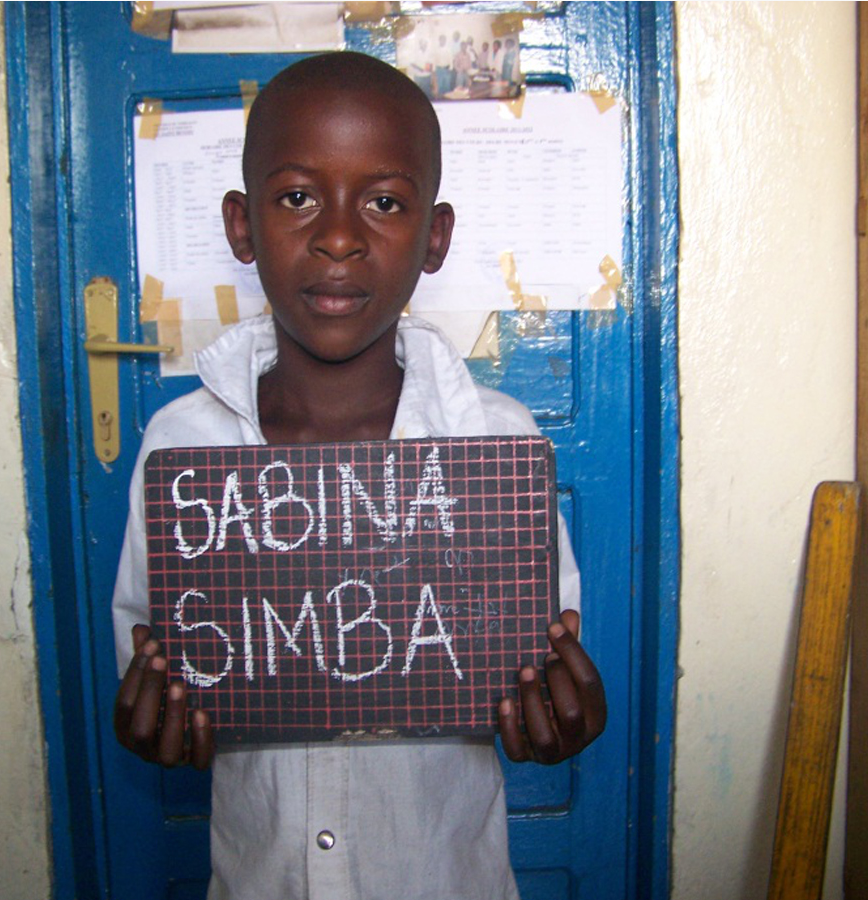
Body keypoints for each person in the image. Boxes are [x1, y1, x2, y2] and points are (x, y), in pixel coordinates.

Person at [110, 51, 607, 900]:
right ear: (241, 225)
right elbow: (158, 659)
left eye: (383, 203)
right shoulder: (183, 451)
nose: (338, 236)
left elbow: (535, 662)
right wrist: (153, 718)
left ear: (435, 237)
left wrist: (561, 715)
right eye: (298, 196)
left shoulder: (494, 446)